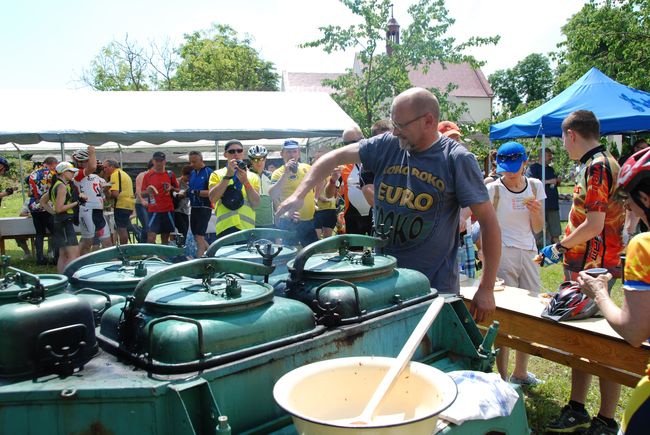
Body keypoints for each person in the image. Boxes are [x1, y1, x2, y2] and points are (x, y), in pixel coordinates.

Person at [276, 87, 500, 322]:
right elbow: (333, 157)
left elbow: (488, 222)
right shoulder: (387, 145)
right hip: (383, 283)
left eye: (401, 125)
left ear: (428, 121)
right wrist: (299, 194)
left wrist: (486, 288)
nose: (394, 131)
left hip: (434, 289)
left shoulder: (457, 159)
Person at [541, 110, 625, 435]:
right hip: (586, 265)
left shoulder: (598, 165)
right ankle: (577, 408)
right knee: (580, 339)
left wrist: (559, 247)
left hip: (597, 268)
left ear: (571, 134)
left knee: (602, 344)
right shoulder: (592, 163)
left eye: (563, 138)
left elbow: (595, 224)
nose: (563, 145)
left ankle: (605, 419)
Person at [578, 146, 650, 435]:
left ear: (645, 198)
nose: (632, 214)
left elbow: (634, 332)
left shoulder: (643, 246)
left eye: (631, 207)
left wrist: (599, 293)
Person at [487, 142, 545, 386]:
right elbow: (485, 225)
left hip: (529, 252)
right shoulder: (492, 189)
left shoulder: (535, 186)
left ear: (524, 163)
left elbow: (539, 228)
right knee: (505, 317)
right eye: (503, 168)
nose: (508, 173)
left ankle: (520, 373)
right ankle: (501, 377)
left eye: (513, 167)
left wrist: (534, 211)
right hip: (503, 253)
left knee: (531, 315)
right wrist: (484, 252)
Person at [270, 140, 318, 247]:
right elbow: (273, 194)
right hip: (289, 221)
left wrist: (316, 198)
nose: (292, 155)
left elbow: (320, 181)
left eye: (294, 151)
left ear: (299, 153)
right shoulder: (278, 173)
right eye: (288, 152)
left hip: (309, 221)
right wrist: (286, 173)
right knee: (290, 254)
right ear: (282, 154)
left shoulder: (307, 168)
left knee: (312, 254)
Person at [208, 140, 260, 239]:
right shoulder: (217, 174)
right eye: (231, 151)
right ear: (225, 154)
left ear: (243, 153)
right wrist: (228, 176)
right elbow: (212, 199)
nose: (236, 154)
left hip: (247, 228)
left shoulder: (253, 177)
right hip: (225, 228)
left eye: (239, 151)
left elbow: (256, 204)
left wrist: (246, 182)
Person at [327, 127, 374, 235]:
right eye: (346, 144)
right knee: (354, 251)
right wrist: (333, 180)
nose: (349, 147)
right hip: (353, 216)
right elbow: (329, 195)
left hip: (375, 214)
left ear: (363, 140)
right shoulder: (342, 166)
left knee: (378, 250)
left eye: (353, 142)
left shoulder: (375, 161)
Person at [72, 148, 112, 255]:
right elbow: (92, 167)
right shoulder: (77, 174)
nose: (88, 163)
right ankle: (79, 265)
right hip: (86, 210)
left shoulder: (97, 178)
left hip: (98, 211)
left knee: (108, 243)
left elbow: (108, 199)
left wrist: (106, 190)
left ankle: (113, 264)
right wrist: (92, 151)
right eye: (86, 161)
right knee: (87, 242)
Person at [49, 162, 86, 272]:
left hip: (60, 221)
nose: (73, 174)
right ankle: (71, 279)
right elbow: (59, 208)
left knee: (63, 254)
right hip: (64, 221)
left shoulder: (57, 184)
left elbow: (43, 201)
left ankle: (63, 279)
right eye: (71, 171)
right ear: (64, 172)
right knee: (74, 255)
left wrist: (54, 213)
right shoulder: (61, 186)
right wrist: (77, 202)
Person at [141, 151, 179, 244]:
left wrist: (171, 188)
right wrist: (148, 191)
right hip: (154, 210)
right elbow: (142, 193)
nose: (159, 163)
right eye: (157, 160)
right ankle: (151, 257)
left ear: (165, 161)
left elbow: (178, 190)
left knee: (165, 237)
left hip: (167, 210)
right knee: (151, 237)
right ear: (153, 161)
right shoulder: (148, 175)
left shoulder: (170, 174)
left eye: (161, 160)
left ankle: (163, 257)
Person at [526, 148, 562, 245]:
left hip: (552, 203)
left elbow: (553, 183)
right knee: (540, 230)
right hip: (540, 203)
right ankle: (539, 248)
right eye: (549, 155)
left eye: (551, 155)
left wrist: (557, 181)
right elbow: (531, 183)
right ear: (542, 156)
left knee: (555, 230)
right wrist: (549, 181)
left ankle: (557, 249)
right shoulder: (533, 168)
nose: (551, 157)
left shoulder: (550, 169)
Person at [28, 156, 58, 265]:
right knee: (55, 232)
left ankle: (40, 258)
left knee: (39, 233)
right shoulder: (53, 174)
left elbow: (30, 192)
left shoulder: (33, 174)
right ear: (52, 164)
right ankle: (56, 257)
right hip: (48, 205)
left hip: (34, 205)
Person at [102, 159, 136, 245]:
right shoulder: (123, 173)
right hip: (128, 204)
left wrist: (106, 193)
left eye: (105, 167)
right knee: (122, 228)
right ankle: (124, 250)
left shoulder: (115, 174)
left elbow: (115, 194)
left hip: (121, 204)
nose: (104, 169)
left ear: (112, 166)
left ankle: (124, 251)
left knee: (121, 229)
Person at [188, 151, 213, 257]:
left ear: (201, 160)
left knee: (199, 236)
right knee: (196, 236)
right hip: (194, 207)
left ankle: (198, 262)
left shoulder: (209, 172)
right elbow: (191, 189)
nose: (192, 164)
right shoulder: (193, 173)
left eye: (194, 162)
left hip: (204, 207)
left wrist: (196, 192)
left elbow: (212, 192)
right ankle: (213, 254)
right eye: (190, 162)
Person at [312, 150, 338, 239]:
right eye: (318, 158)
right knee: (317, 239)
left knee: (327, 240)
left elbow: (336, 189)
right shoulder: (311, 173)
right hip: (316, 210)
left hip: (330, 208)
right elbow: (309, 191)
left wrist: (336, 198)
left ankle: (327, 252)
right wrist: (319, 197)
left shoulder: (332, 173)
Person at [247, 145, 274, 228]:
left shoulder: (271, 176)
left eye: (261, 159)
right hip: (251, 223)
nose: (258, 162)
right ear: (250, 160)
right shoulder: (246, 176)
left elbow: (276, 200)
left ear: (265, 159)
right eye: (255, 159)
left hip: (270, 223)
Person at [135, 160, 153, 242]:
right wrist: (142, 201)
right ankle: (143, 248)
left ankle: (149, 245)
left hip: (151, 205)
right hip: (141, 204)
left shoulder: (154, 176)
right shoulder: (142, 175)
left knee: (150, 227)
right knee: (146, 227)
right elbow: (138, 190)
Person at [173, 165, 192, 241]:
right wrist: (181, 194)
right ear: (183, 175)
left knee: (185, 231)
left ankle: (182, 245)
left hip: (186, 210)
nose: (188, 179)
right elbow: (174, 194)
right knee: (182, 229)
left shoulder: (191, 183)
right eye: (187, 177)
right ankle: (180, 246)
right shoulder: (177, 182)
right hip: (177, 210)